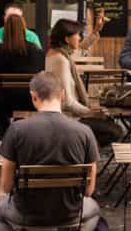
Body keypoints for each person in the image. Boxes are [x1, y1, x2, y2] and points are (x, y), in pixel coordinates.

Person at [0, 71, 100, 231]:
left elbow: (6, 186)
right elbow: (88, 191)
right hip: (69, 212)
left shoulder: (16, 130)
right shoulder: (84, 132)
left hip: (26, 213)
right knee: (94, 210)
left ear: (33, 97)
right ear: (61, 95)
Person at [45, 18, 123, 147]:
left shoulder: (59, 53)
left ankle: (81, 148)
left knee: (110, 122)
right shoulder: (61, 60)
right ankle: (82, 152)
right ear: (66, 39)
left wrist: (96, 30)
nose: (79, 38)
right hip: (68, 117)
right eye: (77, 35)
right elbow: (68, 103)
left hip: (65, 115)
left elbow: (81, 48)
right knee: (115, 131)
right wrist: (93, 113)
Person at [0, 13, 46, 133]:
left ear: (5, 30)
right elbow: (41, 72)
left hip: (3, 100)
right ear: (23, 29)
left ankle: (3, 131)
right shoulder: (35, 50)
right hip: (30, 99)